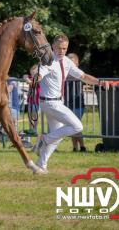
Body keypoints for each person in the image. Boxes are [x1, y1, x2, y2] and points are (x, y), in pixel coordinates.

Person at [32, 34, 108, 174]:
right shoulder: (48, 61)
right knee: (77, 126)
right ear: (53, 46)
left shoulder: (67, 61)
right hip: (50, 104)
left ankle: (41, 165)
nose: (61, 51)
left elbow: (83, 76)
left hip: (55, 103)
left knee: (58, 136)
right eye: (59, 48)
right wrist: (37, 76)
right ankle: (44, 139)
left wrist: (99, 82)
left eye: (64, 48)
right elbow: (40, 73)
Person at [64, 53, 86, 152]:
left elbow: (76, 76)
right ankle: (75, 147)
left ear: (77, 63)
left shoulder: (79, 73)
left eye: (72, 62)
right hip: (67, 103)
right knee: (72, 125)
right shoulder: (64, 72)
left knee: (76, 125)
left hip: (78, 103)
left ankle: (82, 146)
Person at [23, 65, 41, 136]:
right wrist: (29, 81)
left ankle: (35, 129)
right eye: (32, 71)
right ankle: (31, 129)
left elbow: (38, 81)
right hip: (30, 100)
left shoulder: (40, 78)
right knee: (30, 115)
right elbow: (24, 76)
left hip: (37, 100)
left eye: (35, 71)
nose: (33, 72)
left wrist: (34, 80)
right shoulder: (30, 78)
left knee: (35, 115)